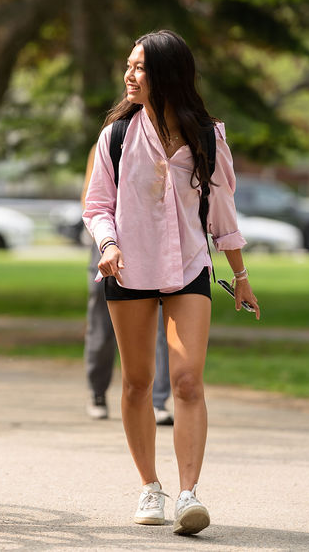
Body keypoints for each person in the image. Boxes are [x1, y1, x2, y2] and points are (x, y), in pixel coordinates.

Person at [83, 30, 260, 536]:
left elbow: (223, 211)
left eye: (140, 67)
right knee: (138, 382)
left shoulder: (208, 137)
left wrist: (240, 276)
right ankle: (149, 487)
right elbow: (97, 204)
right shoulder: (115, 135)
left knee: (186, 380)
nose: (129, 75)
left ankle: (188, 495)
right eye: (129, 65)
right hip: (128, 269)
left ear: (166, 74)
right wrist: (108, 244)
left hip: (189, 269)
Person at [82, 145, 173, 426]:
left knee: (161, 322)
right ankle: (98, 392)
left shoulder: (166, 147)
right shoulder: (108, 143)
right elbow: (91, 199)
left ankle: (158, 400)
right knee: (102, 318)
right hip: (110, 243)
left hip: (153, 244)